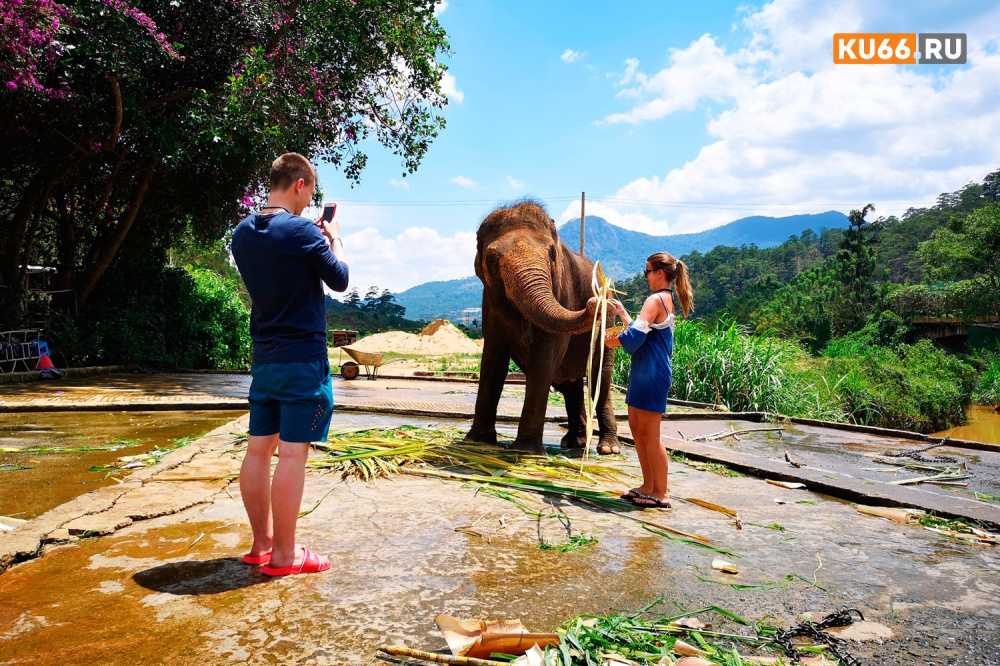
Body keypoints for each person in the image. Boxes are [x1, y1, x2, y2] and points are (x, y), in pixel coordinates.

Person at [231, 153, 349, 576]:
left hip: (265, 358)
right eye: (309, 193)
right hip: (302, 359)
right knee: (293, 455)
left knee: (259, 448)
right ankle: (285, 556)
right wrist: (333, 237)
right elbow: (340, 278)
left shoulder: (241, 234)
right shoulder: (302, 231)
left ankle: (262, 545)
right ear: (299, 183)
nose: (308, 203)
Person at [603, 252, 693, 509]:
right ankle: (648, 485)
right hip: (644, 373)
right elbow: (640, 331)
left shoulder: (655, 299)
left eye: (647, 272)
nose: (646, 277)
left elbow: (633, 339)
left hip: (652, 374)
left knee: (650, 435)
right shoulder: (663, 299)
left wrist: (604, 339)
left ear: (659, 273)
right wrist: (622, 314)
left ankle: (661, 493)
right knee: (637, 430)